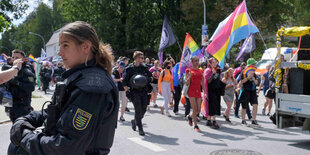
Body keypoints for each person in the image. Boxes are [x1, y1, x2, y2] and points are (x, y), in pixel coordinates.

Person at [8, 21, 119, 155]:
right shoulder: (81, 76)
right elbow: (58, 110)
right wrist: (28, 119)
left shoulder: (92, 87)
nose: (59, 52)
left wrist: (25, 137)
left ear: (85, 47)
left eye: (65, 45)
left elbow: (66, 146)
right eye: (60, 46)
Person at [123, 51, 152, 136]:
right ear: (136, 58)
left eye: (143, 58)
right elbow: (124, 81)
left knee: (143, 109)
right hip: (134, 92)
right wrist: (127, 90)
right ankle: (140, 127)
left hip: (144, 91)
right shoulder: (130, 68)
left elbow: (150, 77)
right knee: (138, 110)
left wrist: (149, 78)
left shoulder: (144, 68)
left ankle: (135, 121)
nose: (143, 59)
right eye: (141, 58)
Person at [4, 50, 36, 122]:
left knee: (22, 127)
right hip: (10, 105)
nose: (14, 59)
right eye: (13, 57)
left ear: (23, 59)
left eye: (17, 57)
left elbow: (31, 87)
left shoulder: (27, 71)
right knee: (14, 127)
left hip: (22, 106)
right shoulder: (9, 70)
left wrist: (17, 82)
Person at [185, 56, 206, 132]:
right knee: (194, 109)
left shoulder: (201, 71)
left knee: (198, 110)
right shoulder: (188, 70)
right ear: (192, 62)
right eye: (195, 61)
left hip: (198, 91)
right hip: (191, 91)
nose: (197, 62)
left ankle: (190, 117)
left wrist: (205, 92)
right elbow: (186, 83)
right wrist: (189, 77)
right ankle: (196, 125)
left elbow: (202, 82)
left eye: (197, 61)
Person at [239, 58, 259, 125]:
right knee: (244, 106)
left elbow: (256, 83)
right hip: (246, 90)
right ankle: (243, 119)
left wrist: (253, 79)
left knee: (255, 104)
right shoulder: (244, 72)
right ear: (250, 65)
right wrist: (248, 77)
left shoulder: (254, 73)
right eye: (254, 64)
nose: (255, 65)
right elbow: (241, 81)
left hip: (253, 90)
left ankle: (254, 119)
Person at [204, 58, 222, 129]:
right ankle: (214, 121)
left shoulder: (217, 70)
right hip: (210, 91)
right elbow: (208, 82)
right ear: (210, 64)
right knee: (212, 105)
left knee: (215, 105)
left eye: (215, 62)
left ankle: (209, 120)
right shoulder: (208, 70)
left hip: (216, 90)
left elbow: (218, 79)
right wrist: (213, 74)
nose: (215, 63)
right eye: (213, 62)